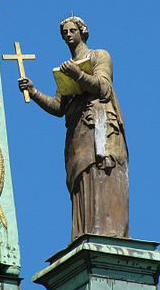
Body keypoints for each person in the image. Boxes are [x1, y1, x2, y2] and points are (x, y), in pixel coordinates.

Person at [18, 16, 129, 241]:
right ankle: (84, 231)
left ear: (82, 31)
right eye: (64, 33)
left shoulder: (99, 55)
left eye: (72, 31)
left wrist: (78, 74)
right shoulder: (64, 71)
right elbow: (59, 107)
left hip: (99, 126)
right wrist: (34, 91)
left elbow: (104, 88)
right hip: (78, 134)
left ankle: (106, 231)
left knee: (99, 173)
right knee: (81, 178)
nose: (68, 35)